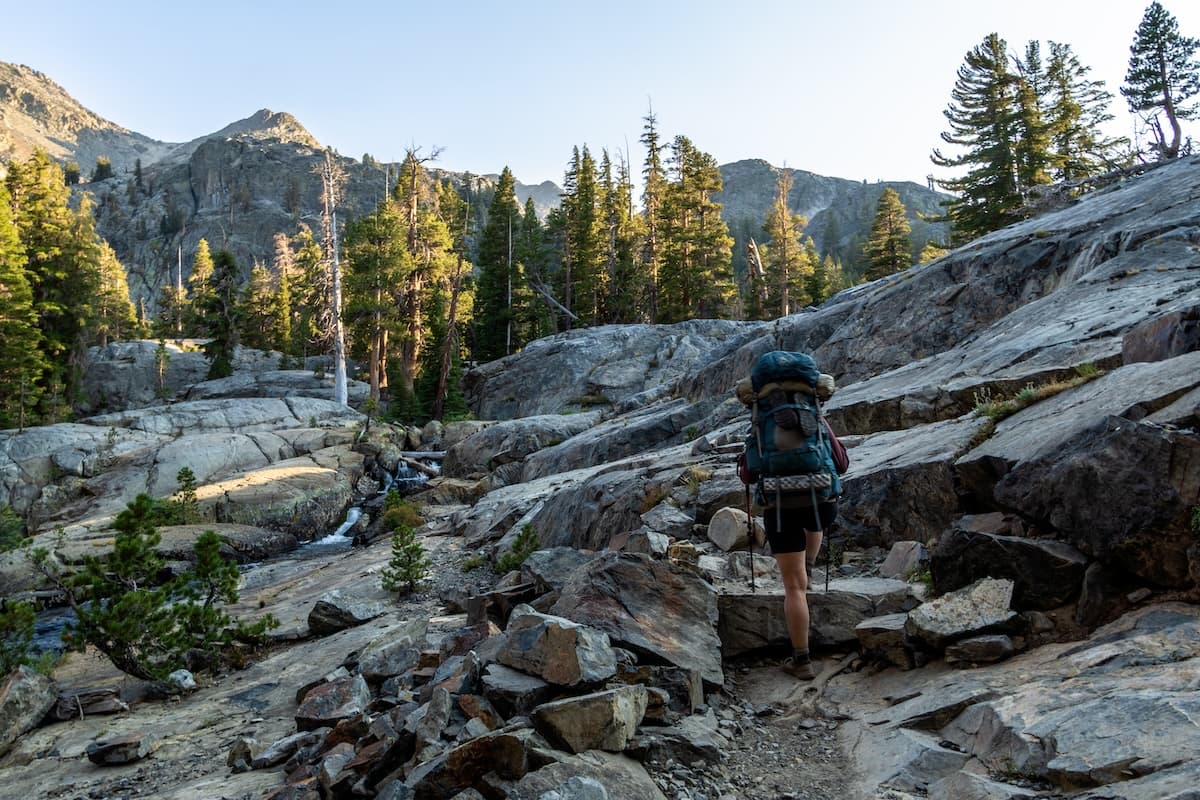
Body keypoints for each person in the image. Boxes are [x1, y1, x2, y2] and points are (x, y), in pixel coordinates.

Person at [762, 496, 837, 680]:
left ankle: (802, 661)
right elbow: (839, 475)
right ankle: (807, 569)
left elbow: (748, 480)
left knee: (794, 588)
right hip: (823, 507)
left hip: (780, 510)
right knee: (813, 511)